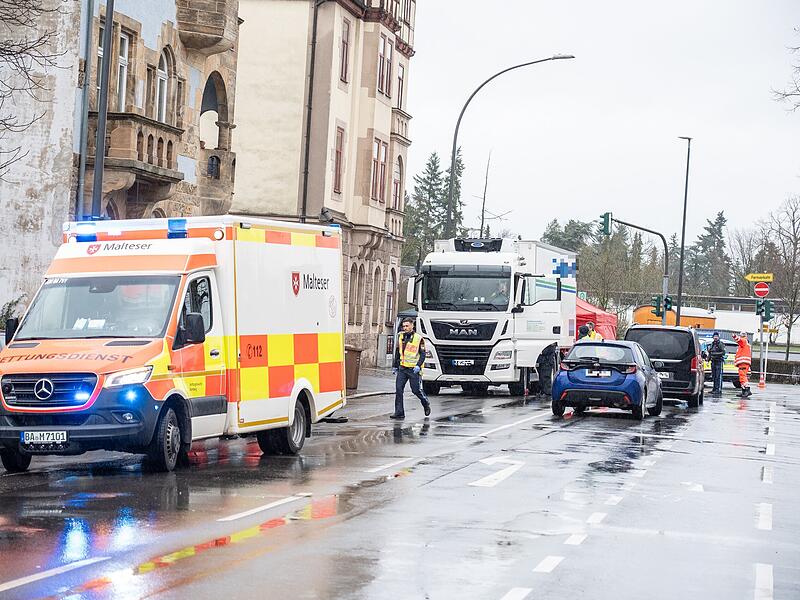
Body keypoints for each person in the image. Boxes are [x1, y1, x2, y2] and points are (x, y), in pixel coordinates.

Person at [391, 317, 431, 419]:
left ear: (412, 326)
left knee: (416, 390)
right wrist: (395, 366)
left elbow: (422, 354)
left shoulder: (418, 338)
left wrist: (418, 365)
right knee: (399, 390)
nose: (405, 328)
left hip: (413, 369)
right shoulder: (401, 337)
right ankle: (399, 412)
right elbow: (398, 352)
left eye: (407, 326)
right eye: (403, 326)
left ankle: (425, 402)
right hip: (403, 368)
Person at [733, 331, 752, 398]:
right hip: (743, 363)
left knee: (743, 377)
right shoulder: (745, 344)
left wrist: (734, 336)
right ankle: (744, 391)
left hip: (743, 363)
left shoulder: (744, 342)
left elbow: (739, 340)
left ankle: (746, 390)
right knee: (742, 377)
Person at [707, 332, 726, 396]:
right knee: (714, 376)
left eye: (716, 336)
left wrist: (714, 354)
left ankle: (718, 390)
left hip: (719, 361)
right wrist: (708, 359)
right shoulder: (712, 344)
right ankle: (714, 389)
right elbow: (710, 352)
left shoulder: (720, 344)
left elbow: (723, 352)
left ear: (718, 337)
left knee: (718, 376)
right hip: (713, 361)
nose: (715, 337)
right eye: (714, 336)